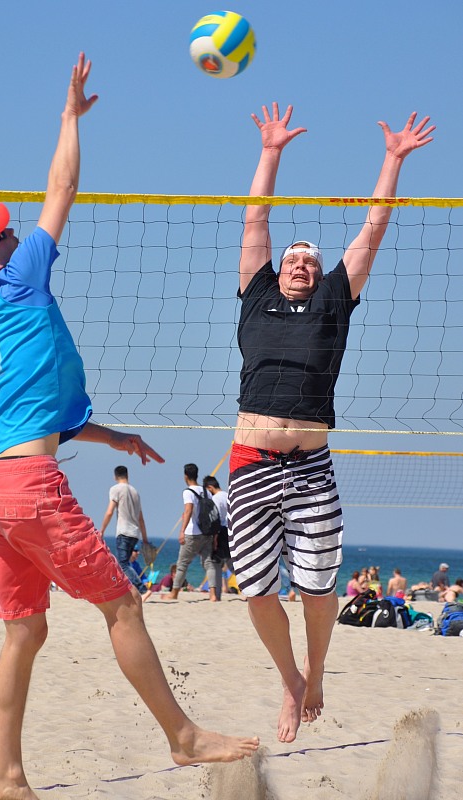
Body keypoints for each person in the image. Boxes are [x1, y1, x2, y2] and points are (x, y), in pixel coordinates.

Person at [0, 54, 258, 799]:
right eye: (3, 235)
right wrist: (69, 119)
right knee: (123, 605)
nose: (14, 234)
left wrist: (112, 439)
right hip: (28, 486)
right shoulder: (19, 279)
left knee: (25, 631)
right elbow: (61, 189)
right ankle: (182, 737)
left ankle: (7, 778)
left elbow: (33, 414)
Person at [228, 101, 434, 744]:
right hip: (250, 463)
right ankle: (290, 679)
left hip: (311, 467)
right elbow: (256, 218)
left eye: (311, 262)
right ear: (276, 270)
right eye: (294, 259)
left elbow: (373, 228)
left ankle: (315, 673)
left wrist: (392, 160)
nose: (301, 264)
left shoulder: (333, 304)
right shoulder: (256, 295)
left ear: (321, 277)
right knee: (256, 591)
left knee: (319, 592)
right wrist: (270, 151)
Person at [164, 464, 221, 603]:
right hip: (207, 532)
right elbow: (213, 513)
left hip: (192, 532)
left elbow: (188, 510)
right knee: (208, 563)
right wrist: (214, 535)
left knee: (182, 564)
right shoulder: (206, 491)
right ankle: (213, 595)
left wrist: (182, 531)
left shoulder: (188, 492)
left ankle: (174, 593)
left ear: (185, 476)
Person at [99, 466, 152, 601]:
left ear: (115, 476)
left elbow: (110, 511)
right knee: (126, 563)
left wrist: (102, 530)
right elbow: (141, 518)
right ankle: (127, 591)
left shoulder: (116, 489)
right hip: (135, 533)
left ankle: (143, 590)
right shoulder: (135, 492)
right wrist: (145, 539)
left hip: (124, 531)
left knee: (123, 564)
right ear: (127, 475)